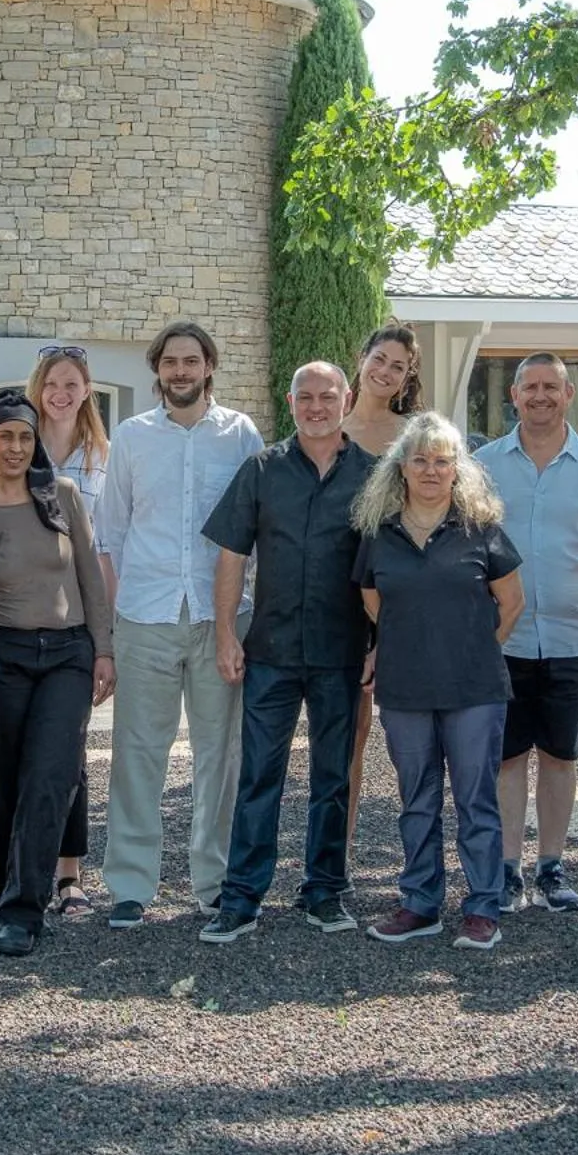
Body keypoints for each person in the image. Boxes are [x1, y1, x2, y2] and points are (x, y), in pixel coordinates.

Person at [198, 363, 375, 944]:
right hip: (270, 649)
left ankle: (324, 891)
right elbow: (231, 556)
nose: (317, 406)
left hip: (342, 650)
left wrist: (382, 643)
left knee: (332, 777)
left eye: (328, 396)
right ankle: (243, 897)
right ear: (291, 401)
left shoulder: (375, 477)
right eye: (306, 397)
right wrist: (226, 632)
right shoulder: (262, 470)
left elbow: (386, 569)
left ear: (347, 399)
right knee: (259, 776)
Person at [97, 321, 263, 929]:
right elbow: (110, 534)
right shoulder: (132, 437)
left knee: (221, 755)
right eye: (171, 362)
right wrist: (114, 625)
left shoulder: (241, 434)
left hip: (222, 618)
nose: (181, 371)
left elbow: (256, 532)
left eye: (191, 361)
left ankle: (213, 882)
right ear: (158, 369)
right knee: (138, 752)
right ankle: (131, 885)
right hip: (146, 614)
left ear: (209, 366)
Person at [354, 412, 524, 951]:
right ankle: (420, 902)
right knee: (417, 799)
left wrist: (466, 647)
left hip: (474, 689)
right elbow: (374, 602)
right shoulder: (378, 535)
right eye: (421, 459)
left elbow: (511, 604)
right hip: (405, 689)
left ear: (458, 470)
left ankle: (482, 907)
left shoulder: (482, 531)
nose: (431, 469)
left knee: (476, 799)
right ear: (401, 467)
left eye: (442, 461)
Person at [0, 392, 116, 956]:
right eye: (5, 436)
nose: (15, 446)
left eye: (25, 437)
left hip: (66, 655)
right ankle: (8, 887)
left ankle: (22, 910)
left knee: (52, 776)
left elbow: (90, 577)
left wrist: (103, 650)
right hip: (1, 654)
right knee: (4, 780)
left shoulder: (60, 495)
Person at [478, 353, 578, 915]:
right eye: (529, 387)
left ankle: (552, 868)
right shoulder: (482, 465)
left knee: (560, 756)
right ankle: (507, 870)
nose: (540, 396)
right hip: (502, 640)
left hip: (573, 636)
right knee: (507, 758)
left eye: (550, 387)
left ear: (568, 393)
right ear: (514, 394)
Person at [26, 344, 112, 916]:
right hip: (17, 616)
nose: (62, 393)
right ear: (39, 388)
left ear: (86, 392)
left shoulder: (104, 457)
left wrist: (107, 640)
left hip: (78, 620)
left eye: (72, 384)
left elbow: (107, 550)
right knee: (12, 750)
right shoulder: (12, 447)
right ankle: (17, 870)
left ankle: (69, 876)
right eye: (53, 384)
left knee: (69, 750)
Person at [337, 325, 426, 852]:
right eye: (380, 358)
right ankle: (338, 857)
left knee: (410, 736)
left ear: (407, 376)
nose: (386, 371)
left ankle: (420, 855)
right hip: (335, 594)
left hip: (398, 598)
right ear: (362, 358)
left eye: (399, 365)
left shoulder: (413, 436)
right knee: (348, 734)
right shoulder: (329, 425)